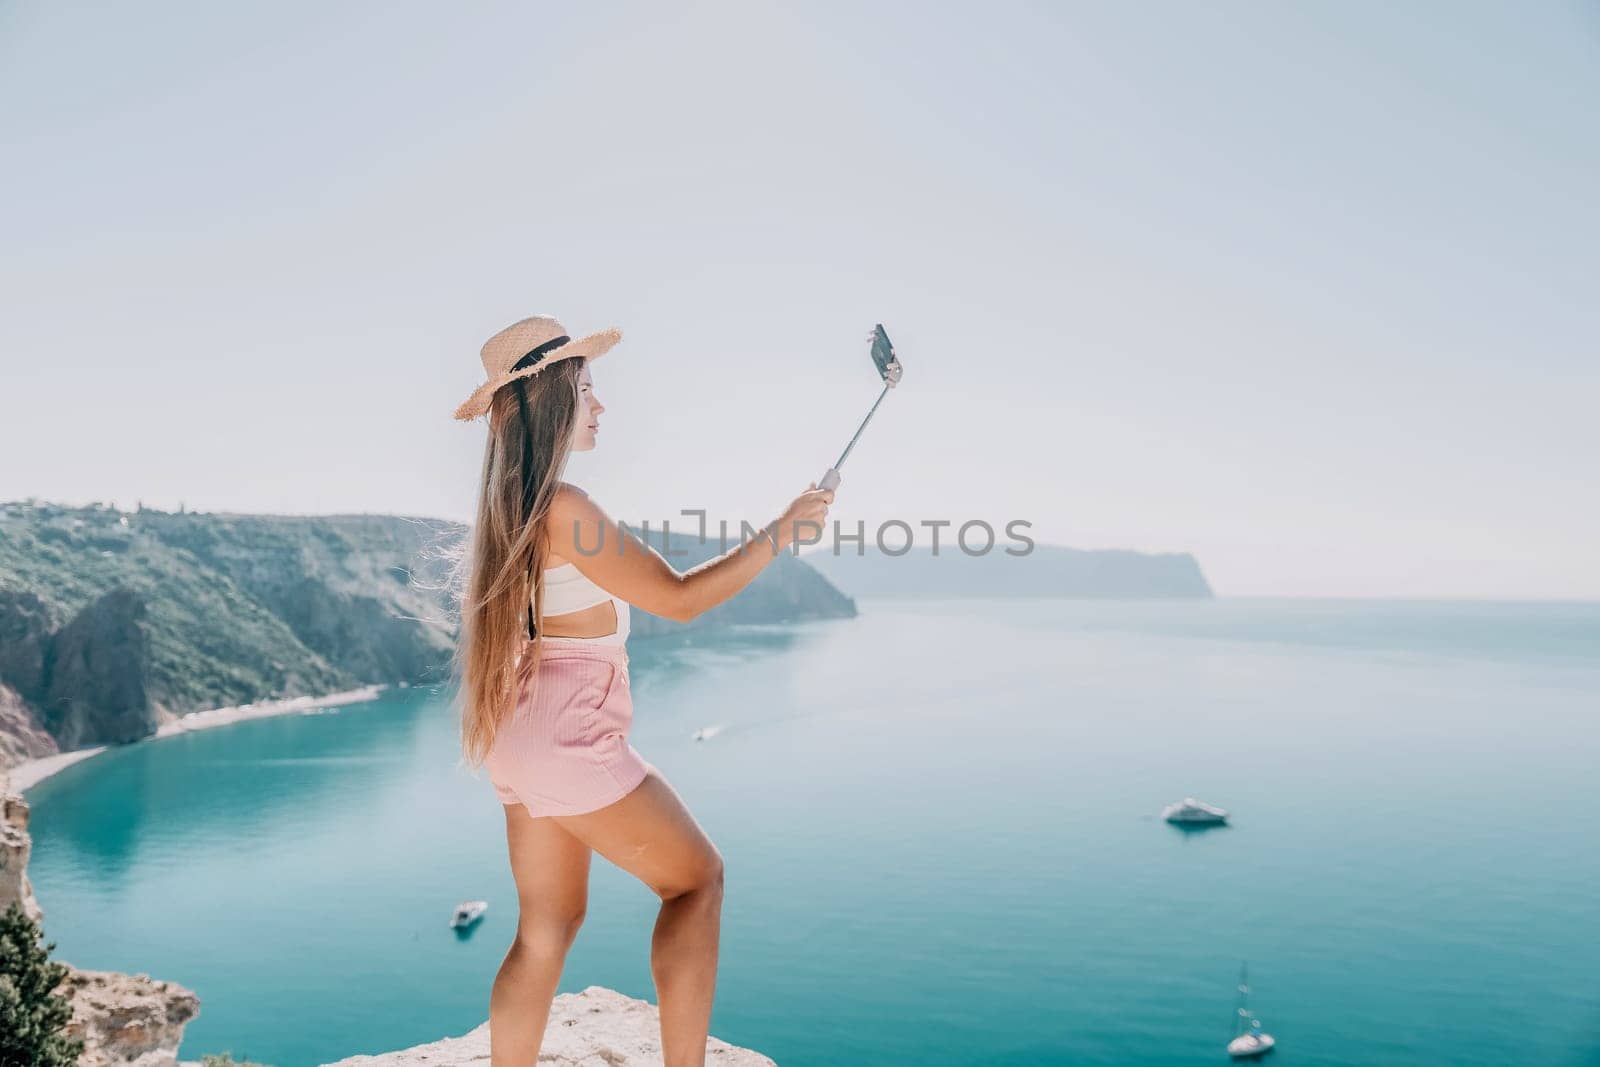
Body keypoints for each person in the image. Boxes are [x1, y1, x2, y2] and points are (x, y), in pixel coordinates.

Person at [447, 313, 835, 1066]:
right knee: (697, 881)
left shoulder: (511, 506)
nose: (600, 405)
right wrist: (783, 530)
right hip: (568, 739)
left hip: (516, 734)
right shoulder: (567, 506)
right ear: (554, 399)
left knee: (544, 928)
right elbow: (680, 598)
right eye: (587, 388)